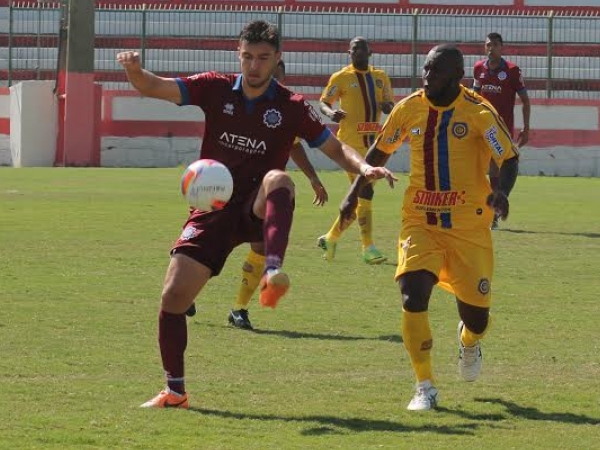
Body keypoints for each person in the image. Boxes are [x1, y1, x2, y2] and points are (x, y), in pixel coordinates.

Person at [117, 20, 395, 409]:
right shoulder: (214, 87)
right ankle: (175, 392)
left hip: (256, 205)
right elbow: (153, 86)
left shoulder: (292, 106)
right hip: (213, 208)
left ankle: (273, 269)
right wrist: (134, 70)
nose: (254, 66)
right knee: (173, 299)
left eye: (263, 58)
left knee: (280, 179)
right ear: (239, 54)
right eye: (248, 57)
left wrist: (363, 168)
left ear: (277, 59)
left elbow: (333, 148)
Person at [339, 44, 519, 411]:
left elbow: (509, 156)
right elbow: (378, 153)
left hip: (469, 227)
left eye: (434, 73)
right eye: (425, 70)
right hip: (419, 219)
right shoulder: (409, 108)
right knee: (412, 293)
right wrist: (354, 193)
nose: (426, 78)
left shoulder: (479, 112)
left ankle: (469, 341)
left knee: (477, 317)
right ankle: (425, 386)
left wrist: (501, 191)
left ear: (456, 77)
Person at [187, 59, 329, 331]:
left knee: (261, 248)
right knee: (210, 247)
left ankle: (239, 309)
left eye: (278, 79)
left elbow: (296, 146)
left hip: (259, 196)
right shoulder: (238, 102)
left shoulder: (284, 110)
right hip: (223, 191)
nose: (273, 83)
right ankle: (188, 294)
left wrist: (312, 177)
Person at [316, 36, 395, 264]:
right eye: (353, 49)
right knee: (365, 191)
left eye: (362, 49)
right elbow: (324, 102)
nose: (357, 52)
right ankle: (368, 248)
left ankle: (331, 237)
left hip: (374, 146)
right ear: (349, 54)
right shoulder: (341, 77)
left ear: (370, 52)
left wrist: (388, 106)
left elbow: (389, 104)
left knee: (360, 196)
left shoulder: (380, 77)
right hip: (349, 146)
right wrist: (330, 113)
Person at [472, 32, 530, 230]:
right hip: (480, 128)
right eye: (488, 45)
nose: (491, 48)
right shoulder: (479, 68)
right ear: (484, 47)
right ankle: (485, 210)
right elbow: (474, 97)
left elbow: (525, 100)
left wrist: (526, 127)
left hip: (501, 131)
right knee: (482, 169)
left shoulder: (512, 71)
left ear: (501, 47)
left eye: (495, 45)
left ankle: (494, 213)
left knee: (497, 170)